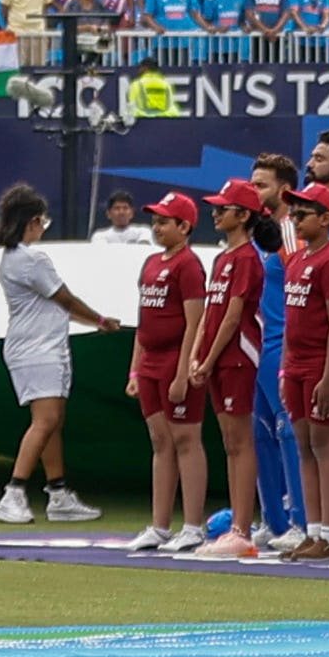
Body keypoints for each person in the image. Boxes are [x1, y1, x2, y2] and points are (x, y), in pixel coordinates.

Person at [0, 185, 121, 527]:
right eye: (42, 221)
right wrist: (100, 320)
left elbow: (57, 306)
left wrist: (95, 321)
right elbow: (65, 299)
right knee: (45, 421)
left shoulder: (16, 257)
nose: (43, 227)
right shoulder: (31, 259)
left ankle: (59, 493)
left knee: (53, 422)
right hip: (35, 350)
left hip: (48, 346)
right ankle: (13, 493)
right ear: (32, 221)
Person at [129, 195, 213, 550]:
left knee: (185, 440)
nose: (157, 226)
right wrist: (135, 370)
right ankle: (159, 525)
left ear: (184, 227)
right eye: (156, 220)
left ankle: (193, 525)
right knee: (160, 441)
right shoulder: (150, 262)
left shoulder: (189, 266)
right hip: (150, 362)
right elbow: (142, 321)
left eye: (165, 221)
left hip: (175, 359)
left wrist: (183, 373)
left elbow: (196, 324)